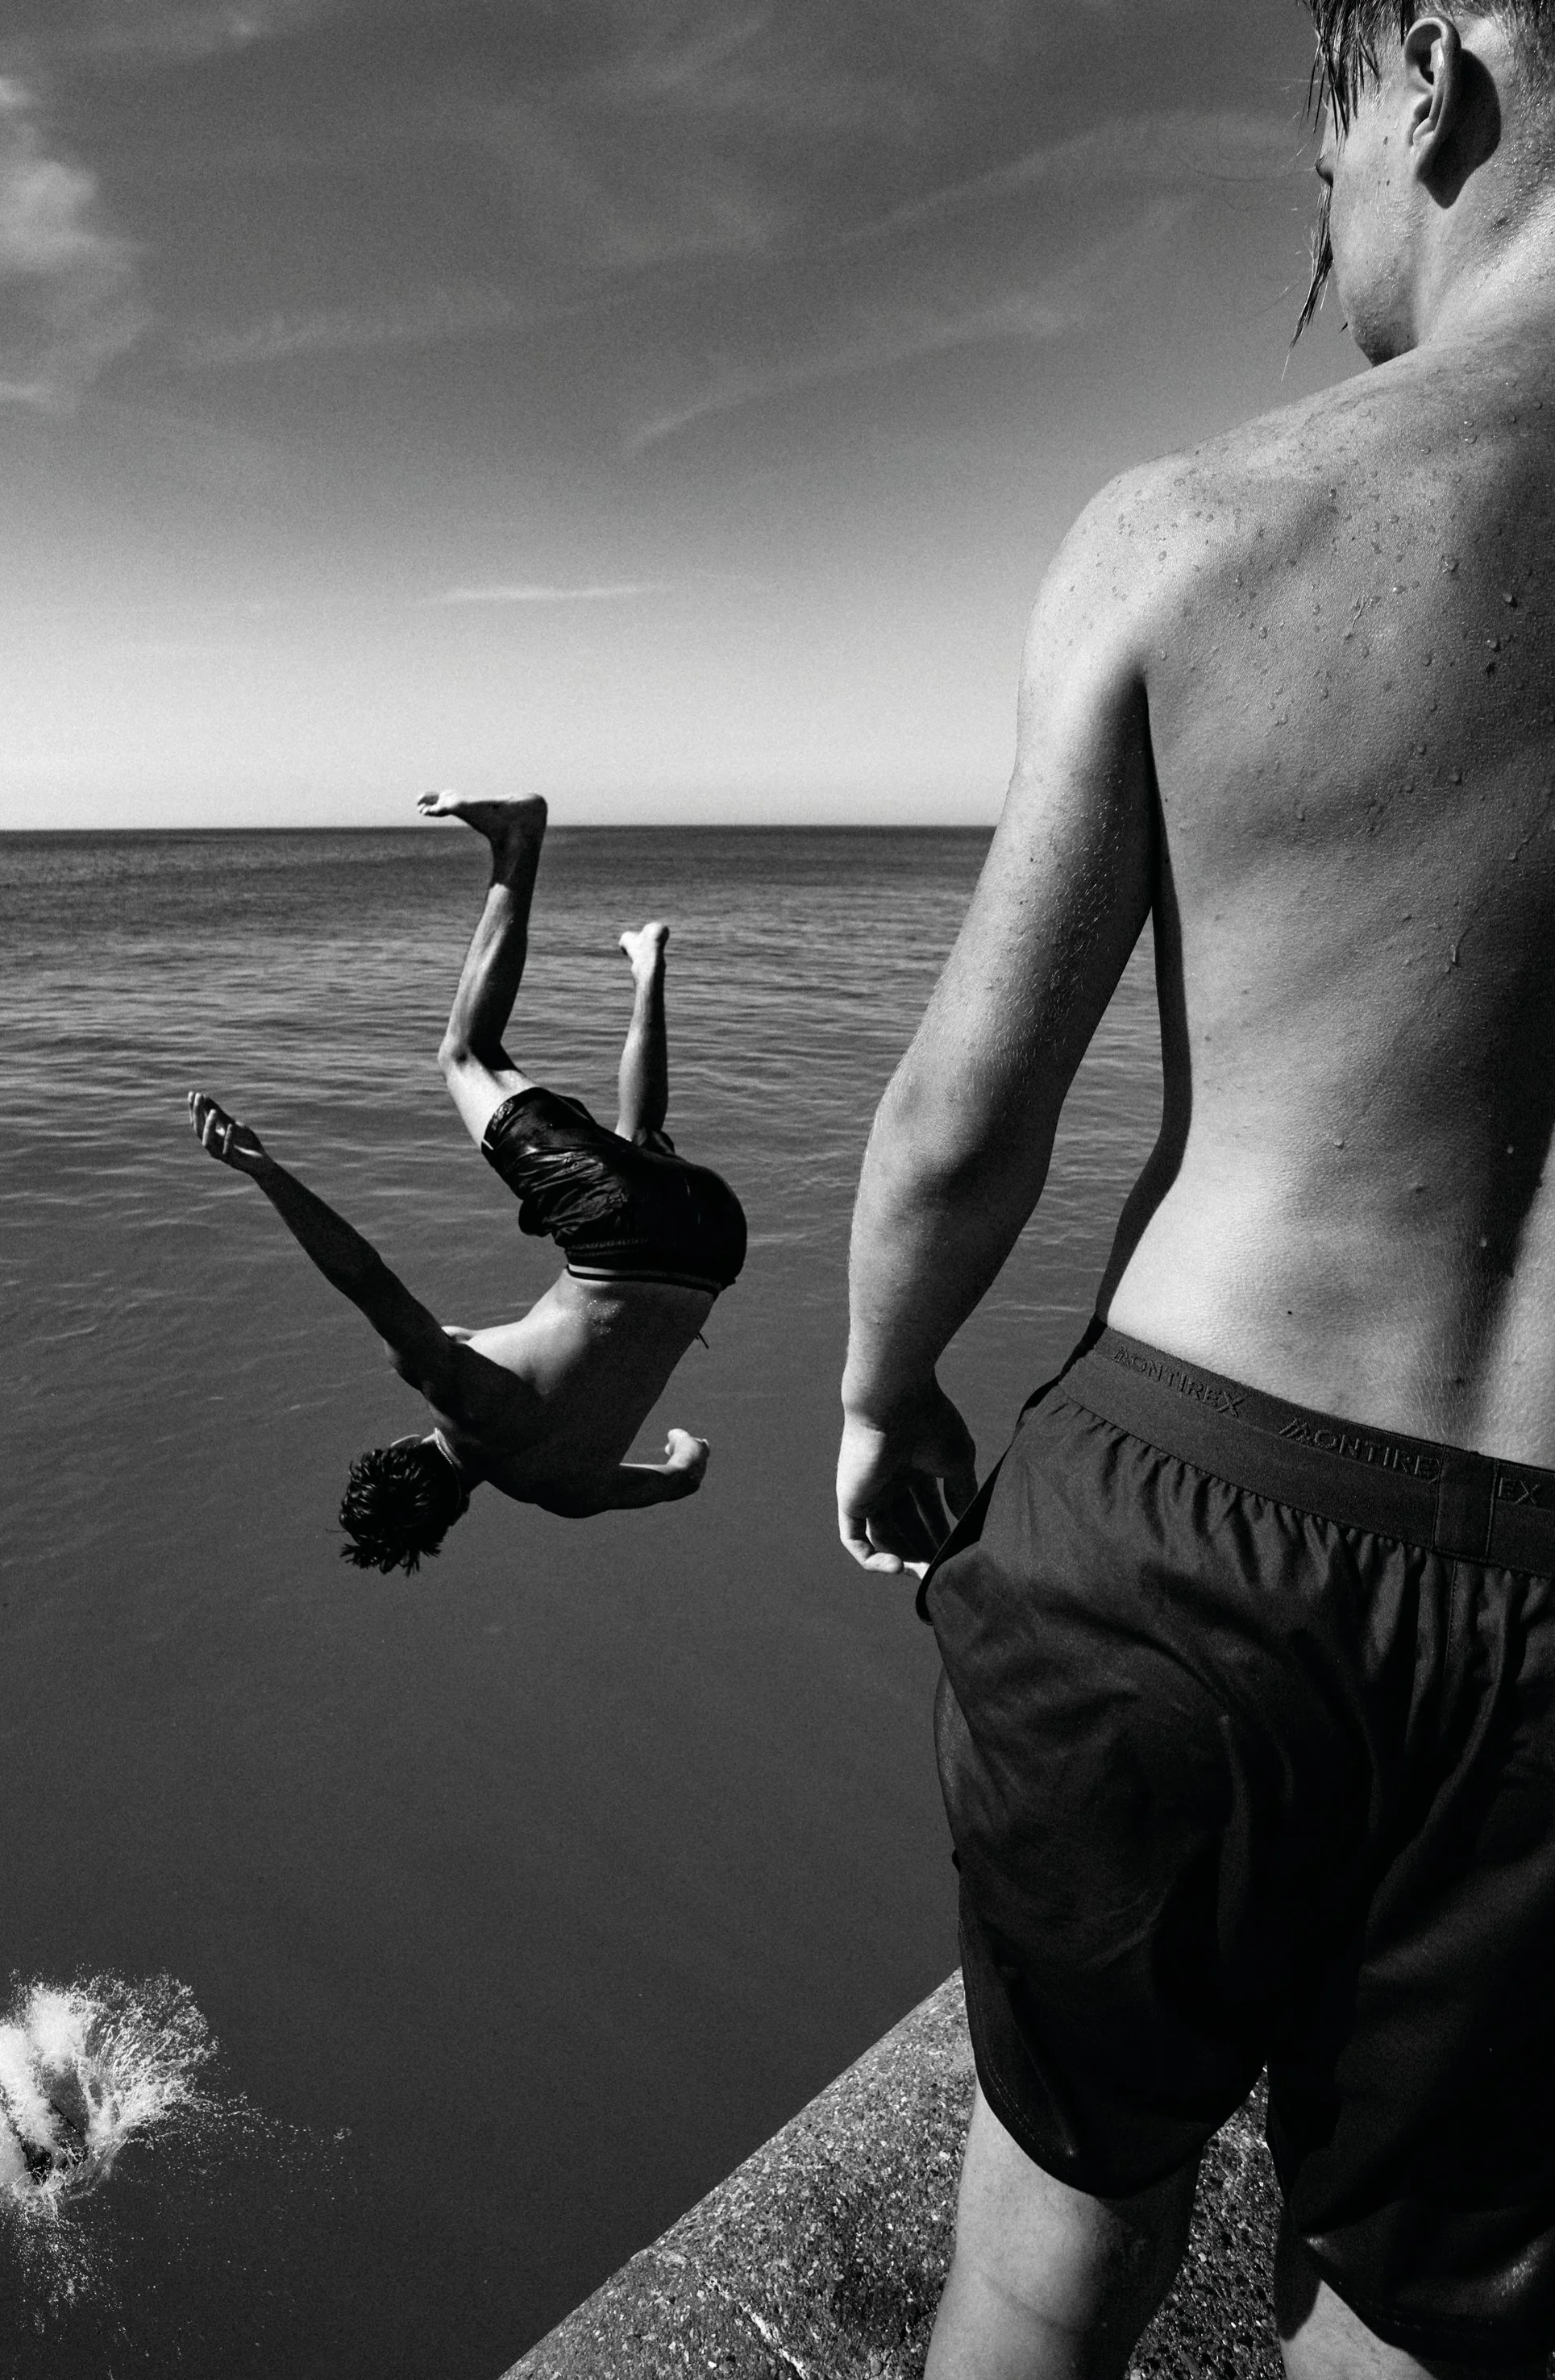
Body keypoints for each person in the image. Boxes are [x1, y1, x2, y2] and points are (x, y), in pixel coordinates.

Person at [838, 8, 1555, 2375]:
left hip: (1189, 1520)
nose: (1321, 208)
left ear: (1434, 74)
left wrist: (884, 1390)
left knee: (1043, 2269)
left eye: (1318, 144)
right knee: (1432, 2330)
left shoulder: (1198, 529)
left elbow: (965, 1107)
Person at [189, 792, 744, 1572]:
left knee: (640, 1146)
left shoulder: (569, 1491)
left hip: (714, 1243)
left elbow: (682, 1479)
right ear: (398, 1445)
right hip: (621, 1231)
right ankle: (517, 840)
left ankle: (648, 965)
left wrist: (687, 1442)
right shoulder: (449, 1385)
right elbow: (363, 1275)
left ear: (448, 1521)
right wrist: (264, 1170)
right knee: (464, 1054)